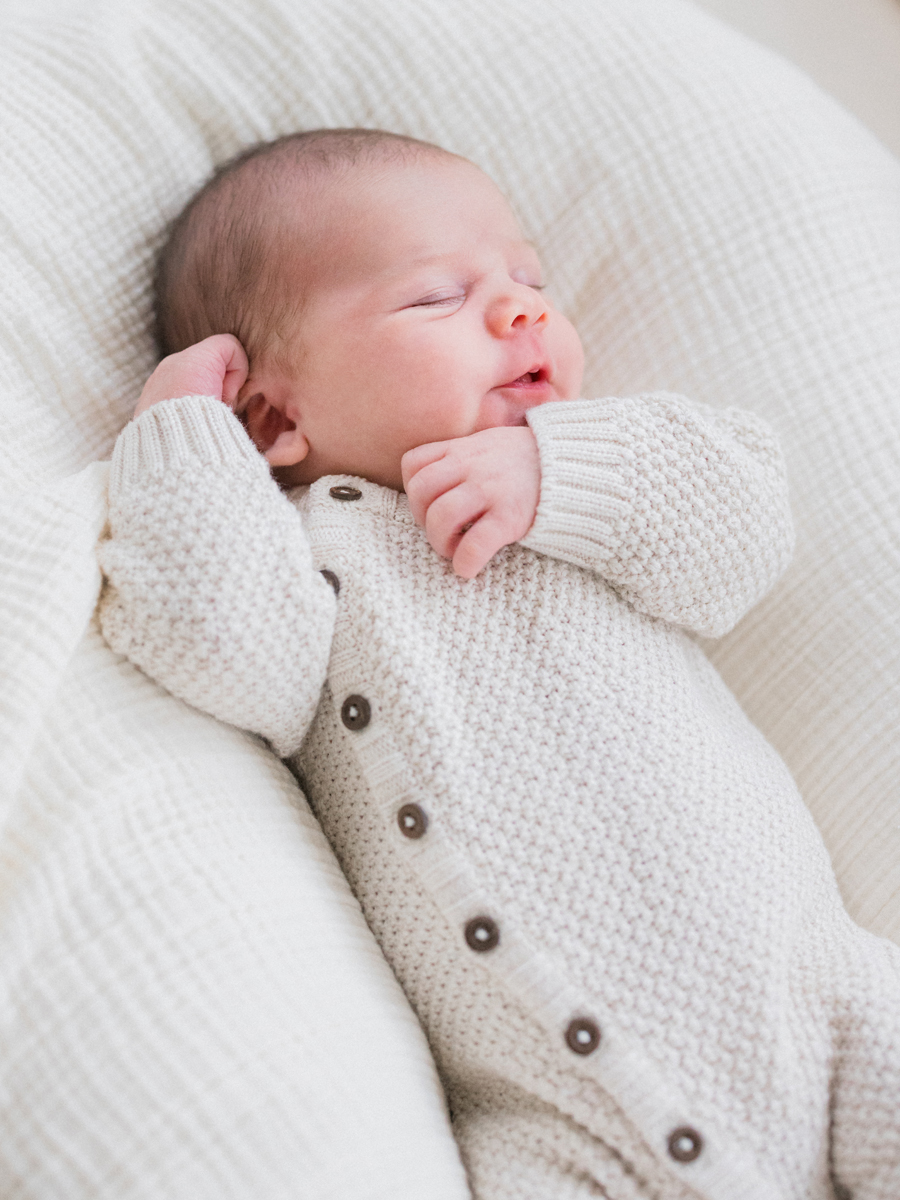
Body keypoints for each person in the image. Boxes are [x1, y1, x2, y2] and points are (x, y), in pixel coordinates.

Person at [99, 128, 900, 1199]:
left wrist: (554, 471)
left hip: (834, 1022)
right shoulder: (299, 567)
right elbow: (212, 650)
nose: (521, 309)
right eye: (436, 297)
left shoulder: (590, 488)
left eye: (528, 279)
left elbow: (745, 527)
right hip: (559, 1131)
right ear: (274, 415)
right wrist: (182, 434)